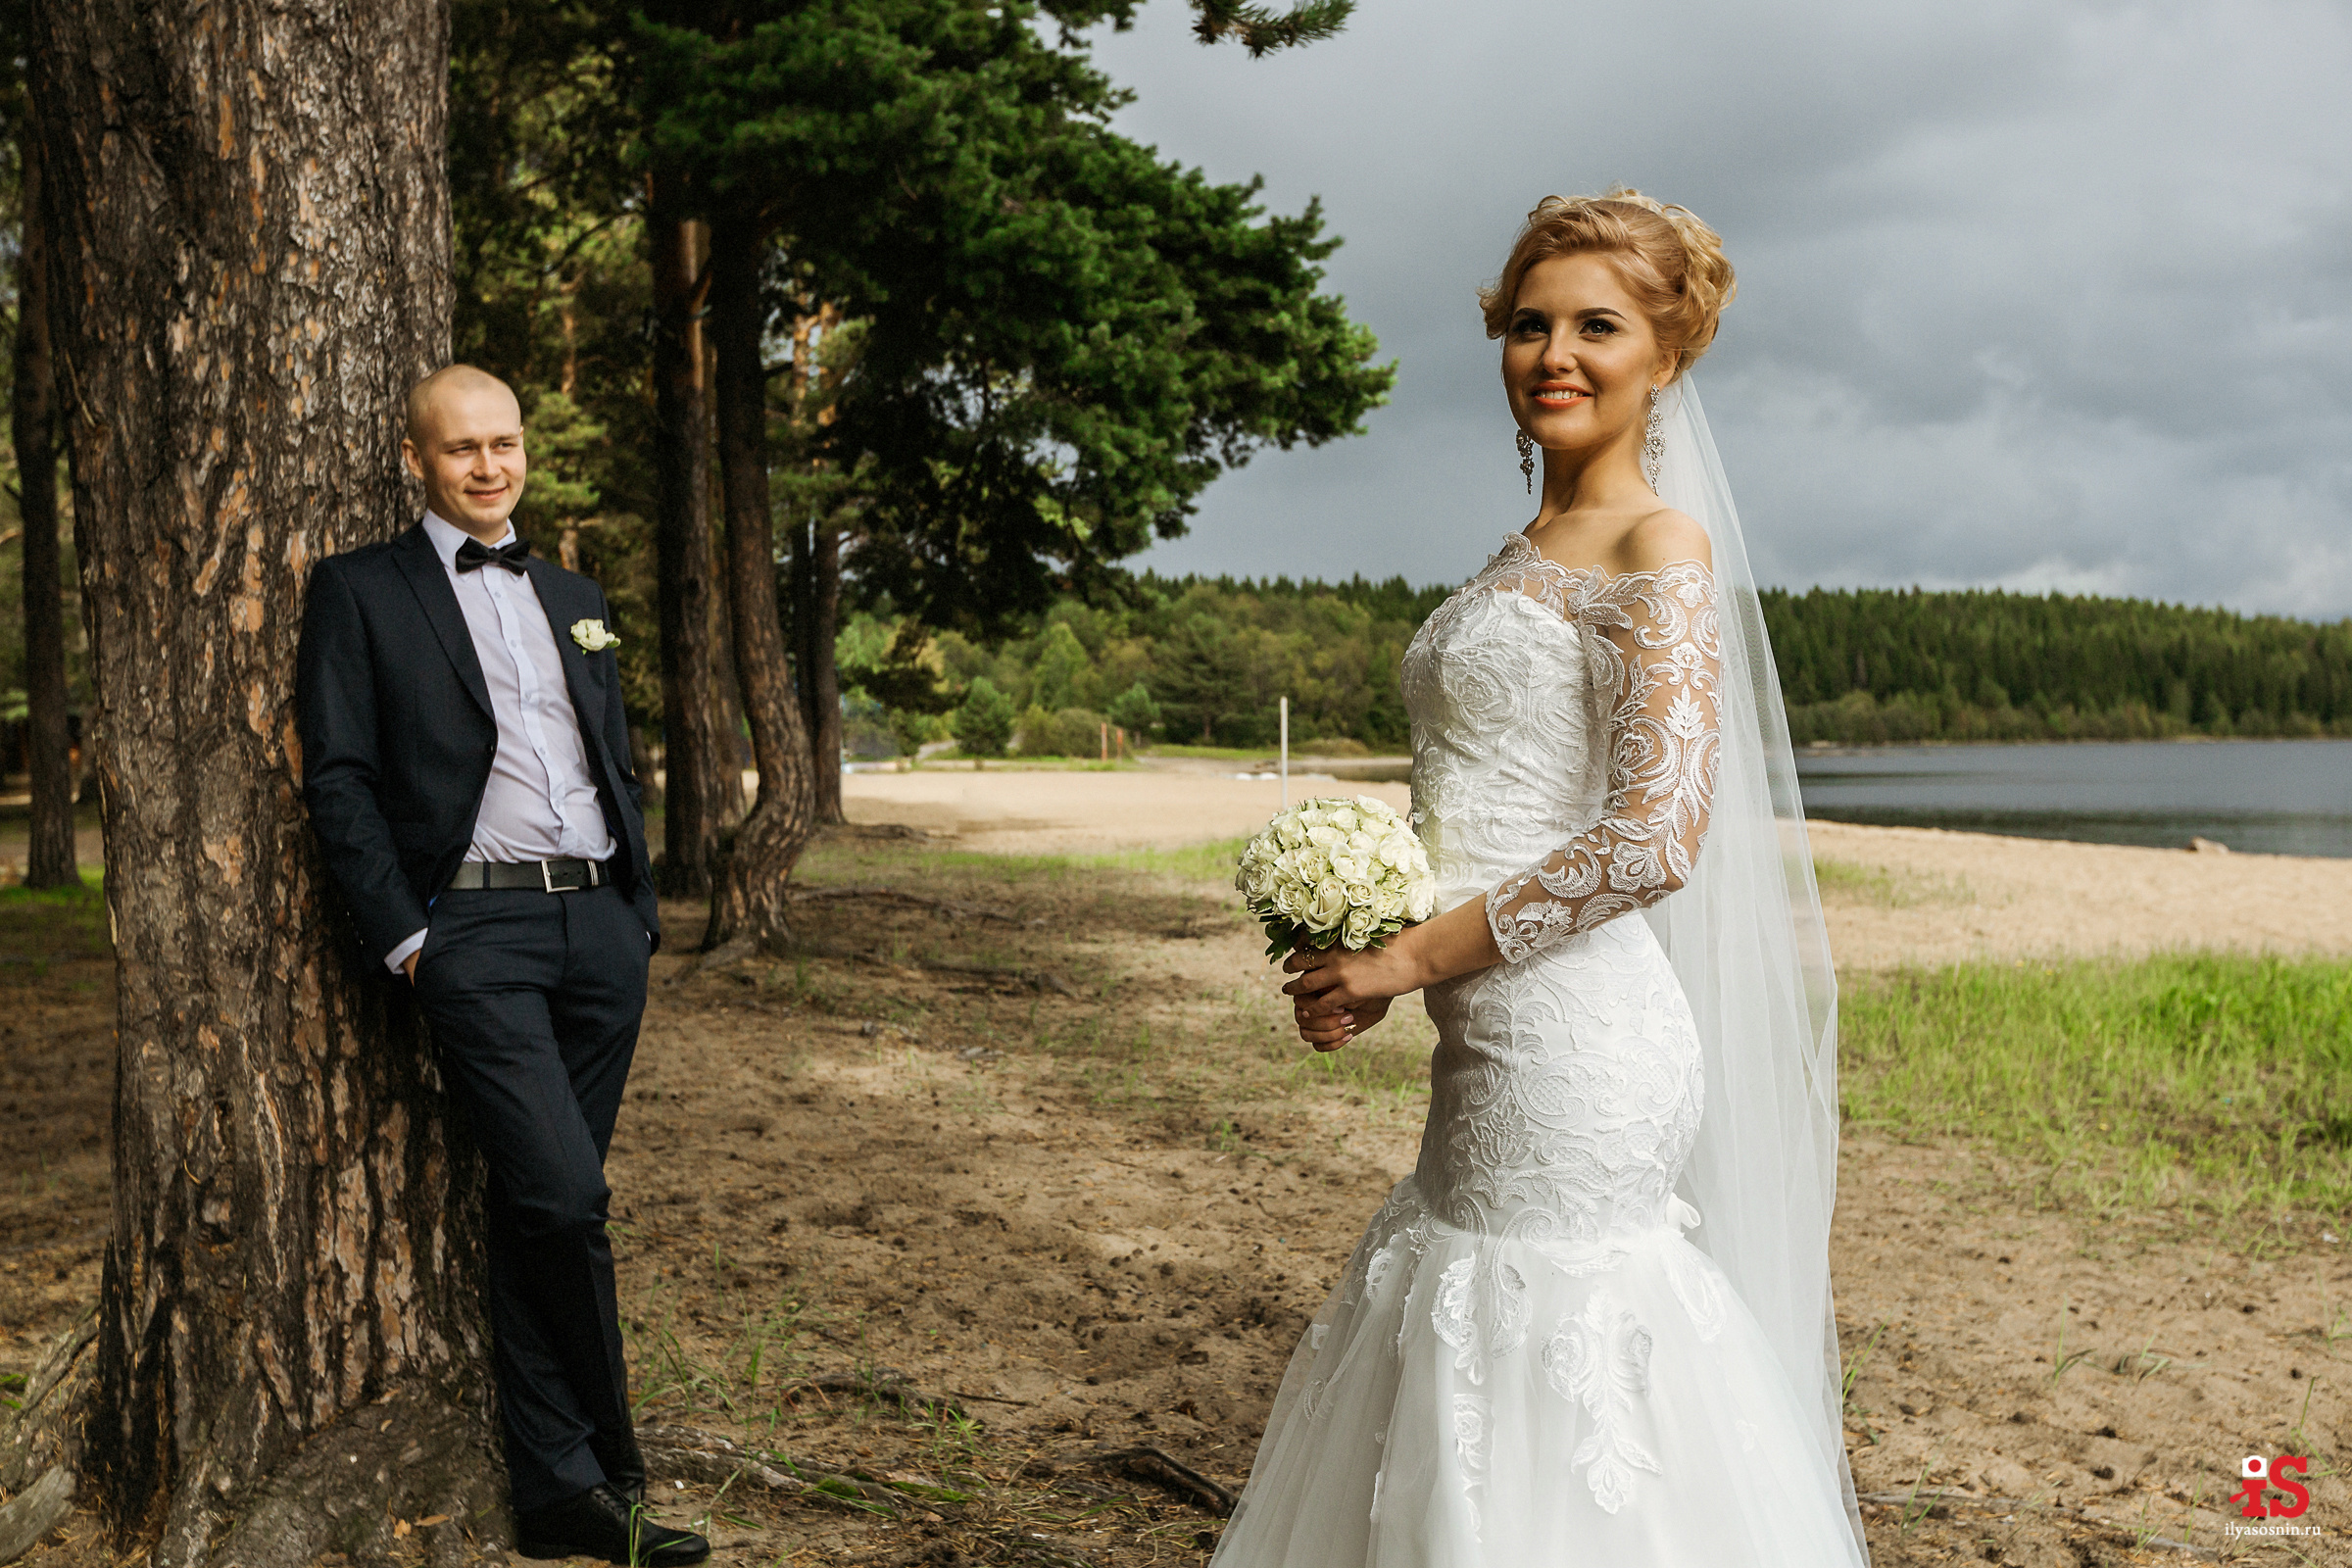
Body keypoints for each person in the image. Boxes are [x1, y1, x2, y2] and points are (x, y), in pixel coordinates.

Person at [1213, 193, 1866, 1565]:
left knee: (1554, 1343)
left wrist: (1406, 955)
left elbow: (1652, 838)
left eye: (1596, 325)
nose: (1552, 353)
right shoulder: (1521, 555)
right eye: (1528, 324)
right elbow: (1477, 796)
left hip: (1581, 1046)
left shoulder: (1655, 546)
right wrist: (1376, 944)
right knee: (1460, 1329)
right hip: (1484, 1025)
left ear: (1667, 359)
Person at [296, 366, 709, 1566]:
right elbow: (340, 777)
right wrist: (412, 937)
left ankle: (553, 1490)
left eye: (505, 443)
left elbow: (606, 754)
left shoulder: (572, 590)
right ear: (417, 459)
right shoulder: (361, 591)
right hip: (474, 935)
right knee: (570, 1201)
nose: (489, 466)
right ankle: (618, 1478)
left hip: (599, 933)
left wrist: (635, 909)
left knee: (541, 1201)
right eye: (462, 448)